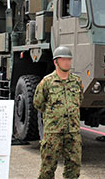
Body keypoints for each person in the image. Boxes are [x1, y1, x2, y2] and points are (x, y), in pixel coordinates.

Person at [33, 46, 83, 179]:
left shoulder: (76, 81)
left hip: (73, 131)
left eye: (69, 60)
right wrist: (54, 115)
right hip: (53, 132)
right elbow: (38, 103)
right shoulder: (47, 82)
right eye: (63, 60)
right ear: (56, 62)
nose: (67, 62)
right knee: (47, 168)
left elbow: (79, 100)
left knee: (74, 166)